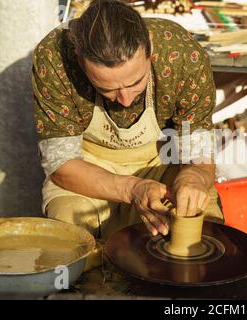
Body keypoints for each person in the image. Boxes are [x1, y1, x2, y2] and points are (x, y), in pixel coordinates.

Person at [32, 0, 223, 240]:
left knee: (207, 231)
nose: (124, 99)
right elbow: (61, 164)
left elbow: (200, 155)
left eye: (135, 83)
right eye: (106, 88)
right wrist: (132, 189)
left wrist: (194, 176)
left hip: (162, 163)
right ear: (80, 60)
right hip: (88, 170)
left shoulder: (182, 54)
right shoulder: (54, 58)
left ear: (150, 50)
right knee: (68, 238)